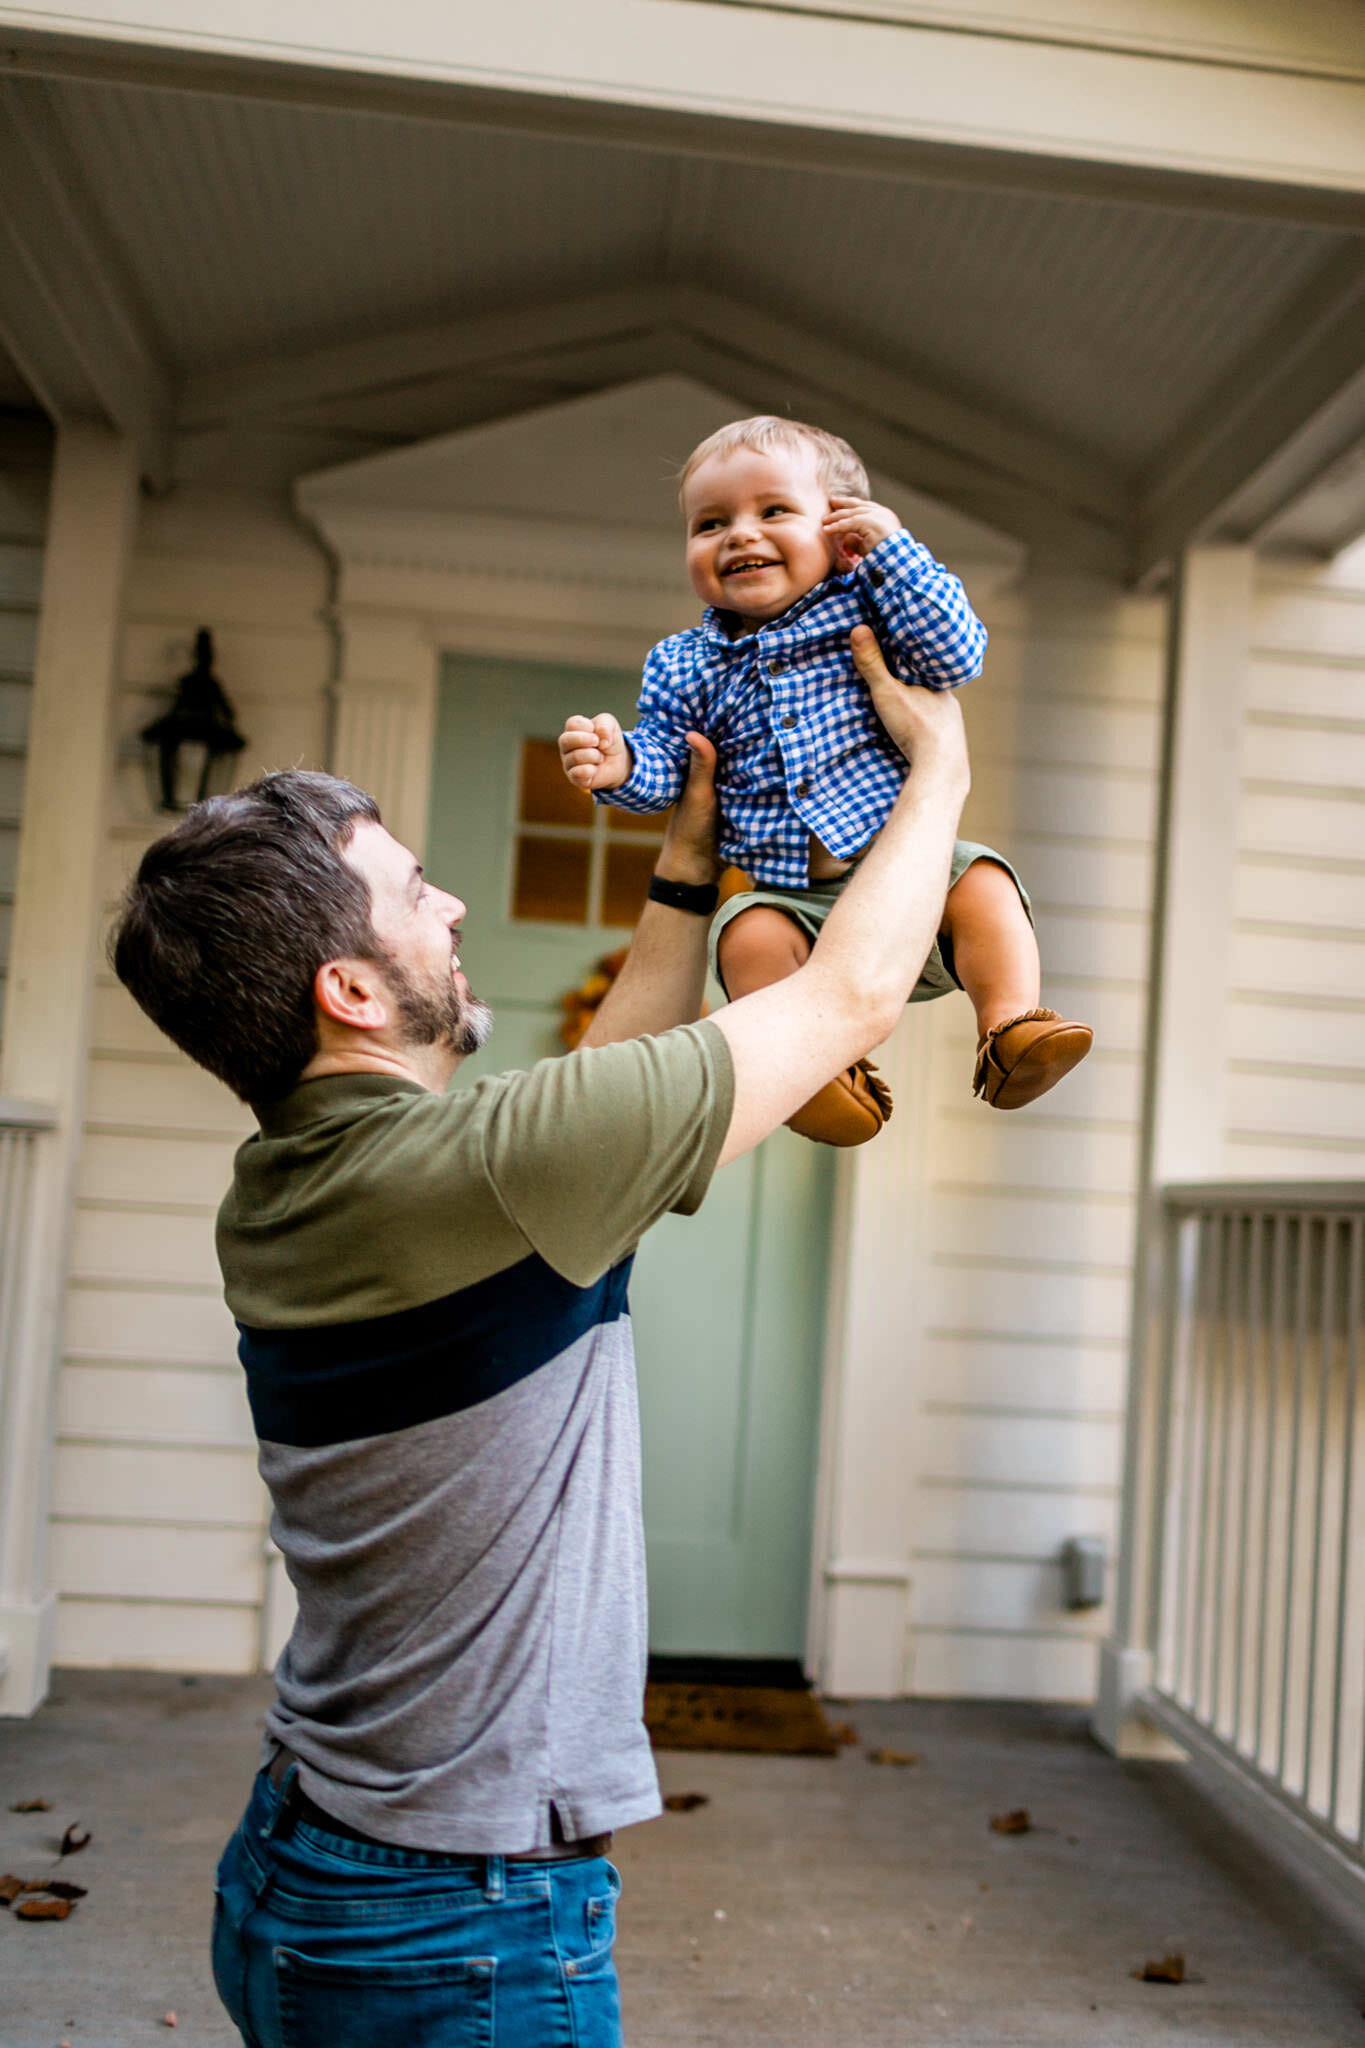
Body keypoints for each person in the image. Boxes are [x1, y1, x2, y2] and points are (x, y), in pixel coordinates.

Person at [109, 631, 967, 2048]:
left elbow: (587, 1116)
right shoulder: (490, 1176)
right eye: (408, 891)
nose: (446, 903)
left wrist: (687, 869)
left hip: (310, 1864)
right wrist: (938, 763)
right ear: (352, 991)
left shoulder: (293, 1188)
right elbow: (849, 1000)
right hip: (461, 1923)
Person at [559, 415, 1092, 1140]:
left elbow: (957, 656)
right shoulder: (683, 662)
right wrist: (621, 763)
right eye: (709, 523)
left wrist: (893, 553)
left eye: (772, 510)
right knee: (743, 935)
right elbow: (672, 764)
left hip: (909, 875)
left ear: (842, 530)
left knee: (985, 884)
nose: (739, 535)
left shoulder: (875, 607)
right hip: (792, 897)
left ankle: (1008, 1028)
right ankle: (812, 1075)